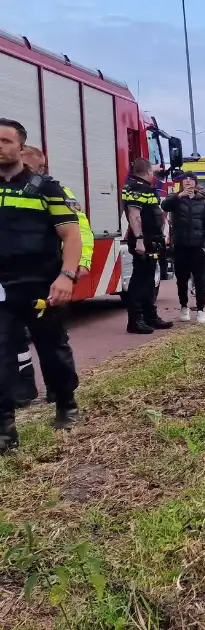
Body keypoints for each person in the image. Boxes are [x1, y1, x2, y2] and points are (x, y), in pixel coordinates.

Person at [0, 118, 84, 452]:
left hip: (41, 285)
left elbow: (71, 234)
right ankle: (5, 426)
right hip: (2, 287)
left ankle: (66, 401)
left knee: (52, 349)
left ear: (21, 148)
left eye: (6, 141)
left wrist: (66, 275)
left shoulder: (46, 188)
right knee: (2, 353)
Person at [13, 146, 97, 406]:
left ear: (40, 166)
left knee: (51, 339)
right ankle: (22, 392)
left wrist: (79, 264)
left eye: (25, 163)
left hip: (46, 275)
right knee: (13, 339)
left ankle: (60, 393)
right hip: (11, 276)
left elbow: (79, 230)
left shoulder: (56, 191)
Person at [121, 157, 173, 334]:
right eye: (152, 171)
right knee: (140, 281)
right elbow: (135, 215)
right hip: (144, 241)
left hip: (151, 240)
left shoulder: (137, 184)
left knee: (149, 280)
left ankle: (150, 316)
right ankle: (135, 320)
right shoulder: (137, 188)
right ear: (148, 171)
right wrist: (140, 239)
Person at [161, 172, 205, 324]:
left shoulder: (203, 202)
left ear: (196, 183)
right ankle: (184, 306)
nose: (188, 182)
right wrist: (179, 195)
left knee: (200, 279)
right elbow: (165, 206)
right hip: (181, 246)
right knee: (182, 279)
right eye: (186, 180)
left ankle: (201, 309)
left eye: (191, 180)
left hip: (198, 247)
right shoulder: (176, 200)